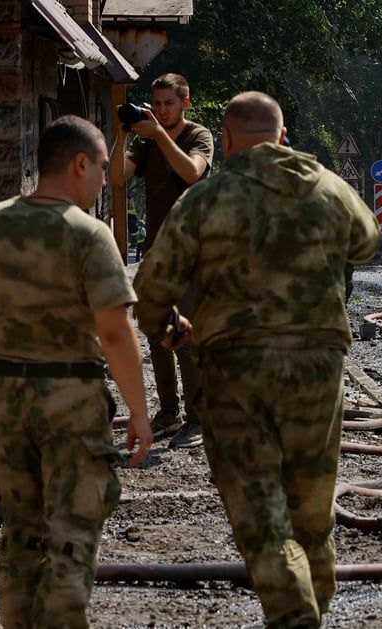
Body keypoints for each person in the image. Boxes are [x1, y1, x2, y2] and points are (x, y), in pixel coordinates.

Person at [134, 91, 380, 628]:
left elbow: (150, 288)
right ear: (284, 136)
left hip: (235, 372)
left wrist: (172, 331)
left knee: (260, 518)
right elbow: (366, 241)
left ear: (224, 141)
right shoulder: (325, 185)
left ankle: (295, 618)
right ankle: (310, 608)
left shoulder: (204, 199)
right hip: (318, 370)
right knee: (312, 518)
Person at [0, 116, 152, 628]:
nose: (105, 179)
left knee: (20, 537)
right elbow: (114, 333)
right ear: (79, 164)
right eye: (102, 168)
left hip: (10, 399)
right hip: (72, 401)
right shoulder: (89, 235)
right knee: (71, 538)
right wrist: (139, 411)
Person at [111, 72, 213, 449]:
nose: (161, 111)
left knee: (183, 337)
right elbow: (117, 177)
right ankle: (168, 412)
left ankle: (198, 418)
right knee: (157, 335)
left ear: (185, 103)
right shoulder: (147, 140)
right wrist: (123, 132)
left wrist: (158, 135)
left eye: (168, 104)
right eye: (156, 104)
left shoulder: (198, 136)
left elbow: (191, 171)